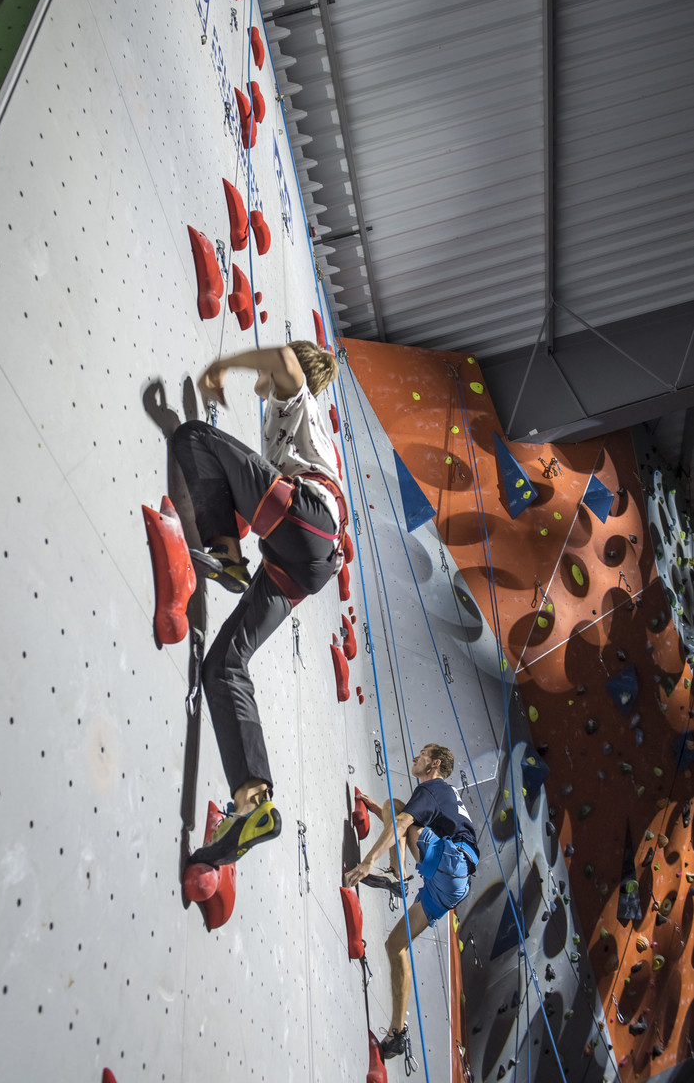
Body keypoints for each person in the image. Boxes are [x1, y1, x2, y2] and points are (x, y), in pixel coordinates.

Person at [170, 342, 346, 867]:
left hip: (308, 521)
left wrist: (221, 366)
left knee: (193, 437)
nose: (264, 378)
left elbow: (286, 363)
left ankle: (227, 554)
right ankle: (253, 803)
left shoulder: (296, 405)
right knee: (223, 665)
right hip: (309, 561)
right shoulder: (301, 434)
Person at [344, 743, 479, 1061]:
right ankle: (397, 1034)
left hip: (451, 863)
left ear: (434, 765)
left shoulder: (433, 788)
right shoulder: (447, 796)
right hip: (453, 883)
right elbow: (407, 828)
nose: (415, 758)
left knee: (398, 808)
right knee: (395, 945)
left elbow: (404, 824)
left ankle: (397, 876)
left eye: (422, 755)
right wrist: (379, 812)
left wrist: (368, 861)